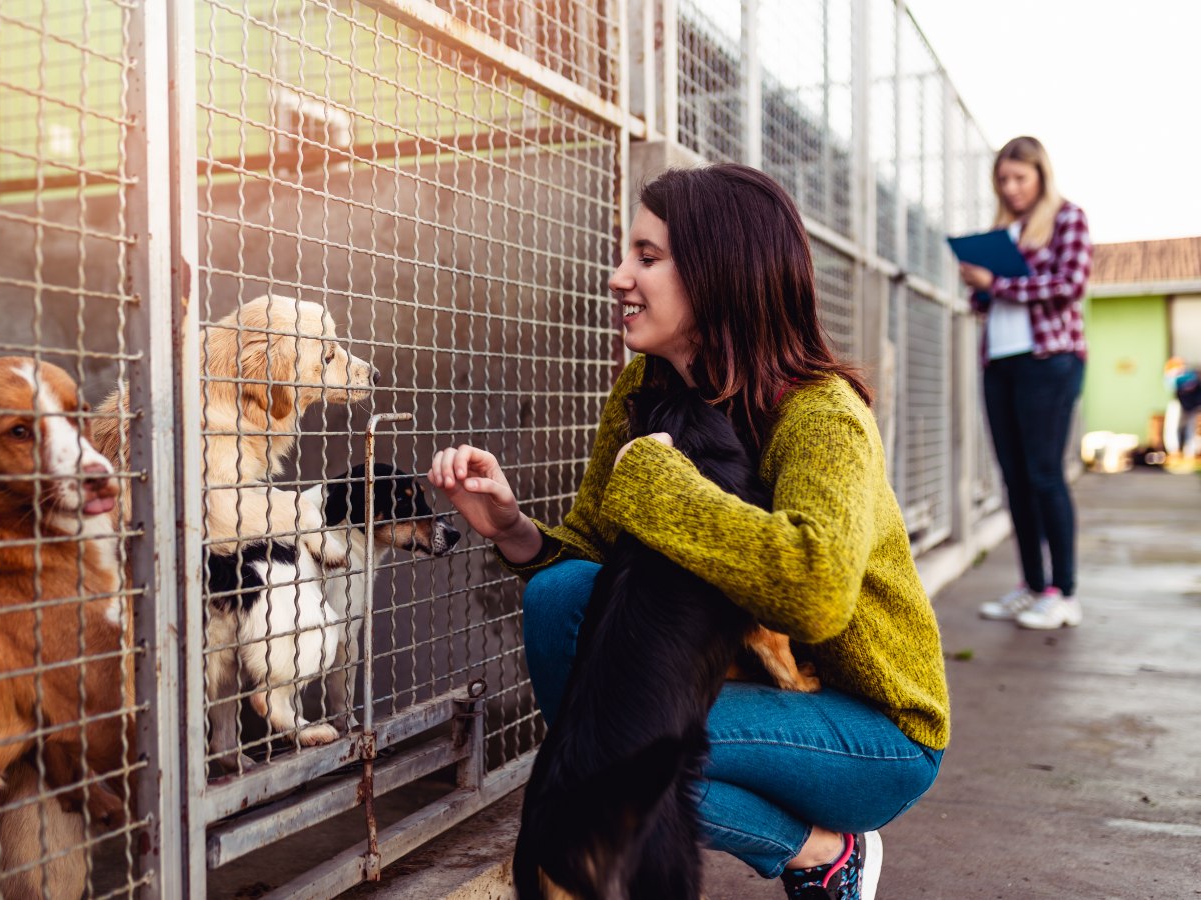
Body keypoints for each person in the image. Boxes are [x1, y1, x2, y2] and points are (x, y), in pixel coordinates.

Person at [430, 164, 947, 900]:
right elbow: (599, 562)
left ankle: (827, 855)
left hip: (874, 733)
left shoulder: (822, 414)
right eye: (625, 255)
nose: (618, 278)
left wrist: (668, 488)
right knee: (559, 594)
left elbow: (817, 591)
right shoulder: (645, 392)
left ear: (719, 273)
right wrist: (512, 527)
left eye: (647, 257)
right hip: (752, 693)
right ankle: (608, 853)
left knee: (625, 766)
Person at [962, 136, 1092, 630]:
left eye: (1020, 177)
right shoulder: (1002, 232)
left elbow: (1067, 286)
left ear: (1041, 174)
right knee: (1013, 478)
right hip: (1000, 363)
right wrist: (976, 284)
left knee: (1043, 474)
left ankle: (1065, 592)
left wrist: (996, 285)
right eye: (1003, 179)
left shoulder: (1067, 219)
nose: (1011, 187)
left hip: (1050, 360)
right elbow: (984, 305)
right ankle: (1033, 586)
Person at [1163, 356, 1201, 466]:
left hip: (1183, 404)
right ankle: (1188, 452)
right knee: (1189, 429)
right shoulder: (1193, 374)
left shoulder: (1177, 374)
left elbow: (1170, 385)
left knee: (1174, 428)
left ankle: (1177, 451)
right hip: (1192, 404)